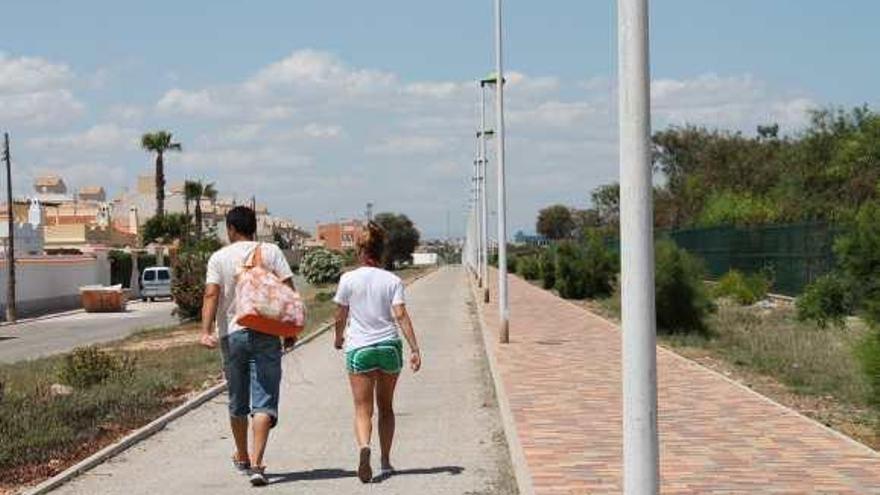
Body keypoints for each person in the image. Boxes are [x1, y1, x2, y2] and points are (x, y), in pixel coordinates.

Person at [199, 206, 297, 487]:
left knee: (237, 399)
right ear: (254, 227)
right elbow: (288, 290)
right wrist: (289, 330)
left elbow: (211, 295)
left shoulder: (218, 258)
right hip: (266, 333)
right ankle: (257, 463)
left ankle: (241, 455)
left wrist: (206, 331)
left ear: (230, 229)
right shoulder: (271, 252)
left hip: (233, 335)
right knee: (264, 399)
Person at [333, 222, 422, 484]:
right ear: (382, 252)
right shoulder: (393, 280)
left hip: (359, 349)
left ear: (360, 250)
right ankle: (385, 460)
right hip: (389, 348)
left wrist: (338, 338)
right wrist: (415, 348)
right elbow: (401, 315)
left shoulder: (348, 279)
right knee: (386, 408)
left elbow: (341, 314)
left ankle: (364, 448)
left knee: (362, 408)